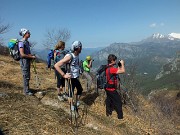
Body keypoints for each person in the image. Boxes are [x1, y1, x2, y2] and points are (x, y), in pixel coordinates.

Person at [54, 41, 83, 110]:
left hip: (75, 76)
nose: (81, 48)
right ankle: (71, 106)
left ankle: (76, 102)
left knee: (80, 89)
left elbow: (75, 64)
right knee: (71, 93)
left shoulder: (77, 54)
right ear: (78, 48)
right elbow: (56, 65)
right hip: (71, 77)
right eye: (81, 47)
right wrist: (64, 75)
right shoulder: (70, 56)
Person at [105, 54, 125, 119]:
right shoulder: (111, 69)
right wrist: (122, 64)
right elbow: (123, 71)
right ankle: (120, 117)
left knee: (109, 99)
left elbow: (116, 71)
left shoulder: (107, 67)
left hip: (107, 87)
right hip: (111, 89)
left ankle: (108, 113)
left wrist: (119, 65)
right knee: (119, 102)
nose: (116, 61)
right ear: (112, 61)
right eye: (115, 60)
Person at [18, 28, 36, 95]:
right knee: (25, 75)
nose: (29, 34)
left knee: (27, 75)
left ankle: (27, 89)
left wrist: (31, 55)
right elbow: (22, 54)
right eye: (28, 33)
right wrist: (31, 57)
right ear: (24, 34)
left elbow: (26, 53)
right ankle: (26, 91)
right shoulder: (21, 42)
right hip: (24, 61)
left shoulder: (26, 42)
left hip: (27, 61)